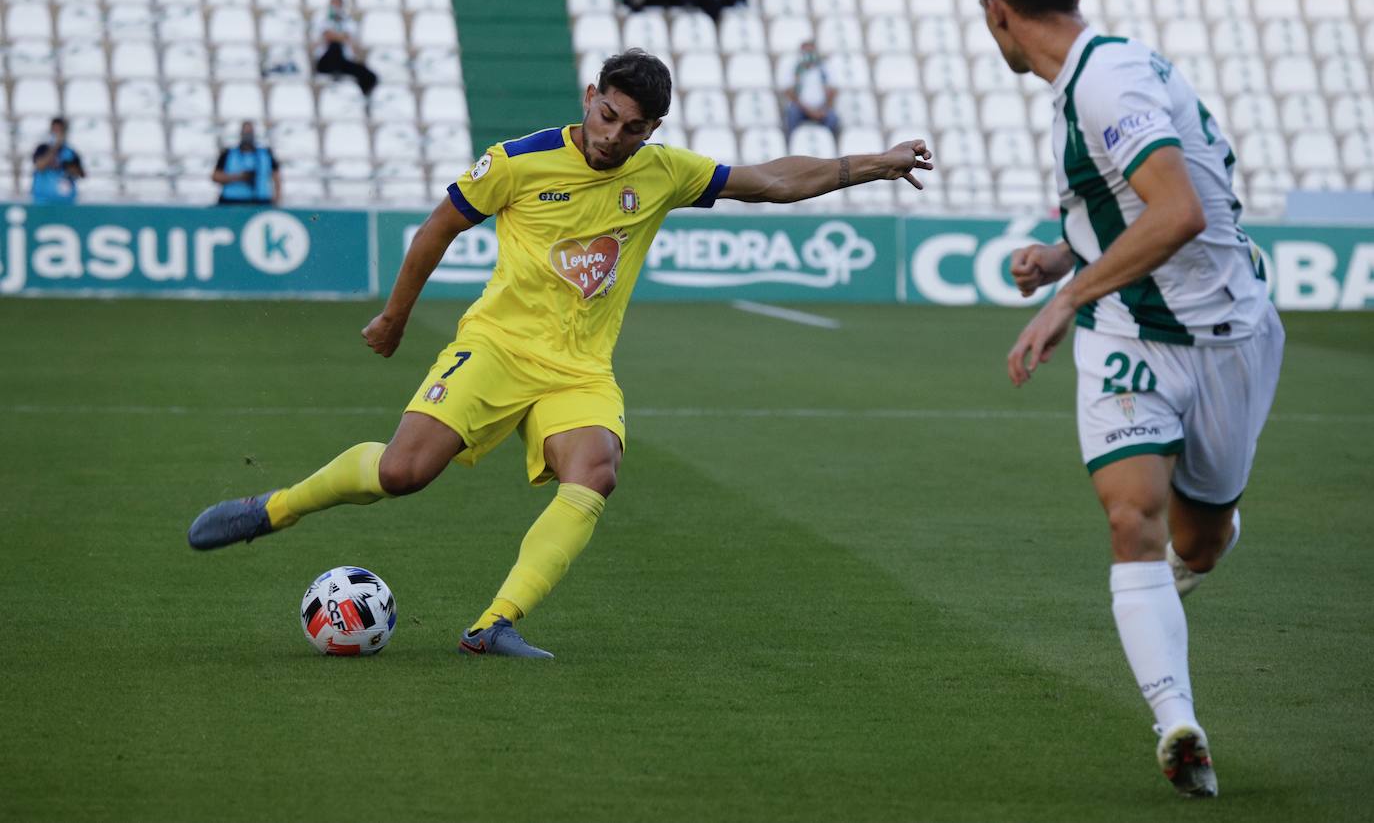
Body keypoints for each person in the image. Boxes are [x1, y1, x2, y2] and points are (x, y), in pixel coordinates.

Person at [187, 48, 933, 660]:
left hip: (579, 369)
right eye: (607, 115)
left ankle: (495, 623)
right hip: (497, 347)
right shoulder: (518, 162)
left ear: (653, 129)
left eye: (634, 128)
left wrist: (874, 163)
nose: (614, 136)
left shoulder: (664, 171)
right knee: (401, 474)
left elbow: (771, 180)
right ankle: (275, 509)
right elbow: (436, 230)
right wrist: (394, 317)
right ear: (589, 97)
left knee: (597, 470)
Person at [981, 0, 1284, 799]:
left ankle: (1196, 551)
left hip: (1226, 337)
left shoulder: (1104, 82)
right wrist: (1066, 255)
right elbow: (1126, 210)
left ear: (998, 12)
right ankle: (1177, 722)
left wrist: (1063, 299)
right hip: (1129, 332)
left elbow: (1179, 210)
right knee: (1131, 521)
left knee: (1201, 539)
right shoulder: (1091, 77)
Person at [313, 0, 378, 97]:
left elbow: (346, 36)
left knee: (369, 75)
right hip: (325, 61)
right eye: (333, 3)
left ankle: (365, 97)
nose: (335, 6)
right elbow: (329, 36)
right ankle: (335, 71)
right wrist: (340, 36)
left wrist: (336, 35)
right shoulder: (322, 18)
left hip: (342, 62)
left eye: (337, 3)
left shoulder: (348, 21)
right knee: (335, 46)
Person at [212, 121, 281, 206]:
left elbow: (277, 176)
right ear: (240, 134)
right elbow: (215, 176)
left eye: (250, 132)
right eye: (245, 132)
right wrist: (239, 177)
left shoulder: (266, 153)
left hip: (261, 201)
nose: (248, 136)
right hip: (231, 202)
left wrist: (277, 198)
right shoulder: (228, 153)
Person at [782, 40, 840, 137]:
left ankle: (828, 143)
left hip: (821, 108)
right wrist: (809, 111)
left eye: (811, 51)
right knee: (792, 114)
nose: (809, 55)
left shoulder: (824, 67)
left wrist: (824, 108)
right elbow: (789, 92)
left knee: (832, 118)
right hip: (800, 108)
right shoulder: (794, 68)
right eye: (806, 52)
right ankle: (791, 143)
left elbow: (833, 91)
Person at [31, 117, 85, 204]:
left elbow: (80, 174)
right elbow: (39, 166)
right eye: (55, 130)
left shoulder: (71, 152)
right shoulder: (42, 148)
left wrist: (66, 167)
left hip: (66, 202)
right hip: (42, 200)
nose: (57, 133)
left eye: (60, 130)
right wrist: (55, 147)